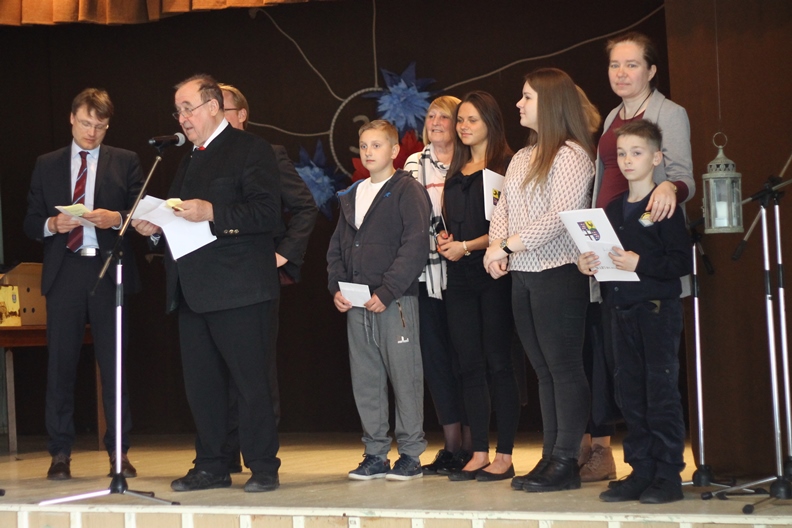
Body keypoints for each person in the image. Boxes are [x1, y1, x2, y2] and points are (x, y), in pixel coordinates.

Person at [132, 74, 282, 493]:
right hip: (193, 291)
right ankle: (212, 464)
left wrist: (213, 210)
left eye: (188, 108)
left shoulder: (251, 149)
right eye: (178, 111)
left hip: (241, 290)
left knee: (251, 384)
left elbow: (268, 213)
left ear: (214, 107)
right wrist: (156, 228)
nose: (182, 118)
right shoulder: (188, 159)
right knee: (203, 387)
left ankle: (263, 466)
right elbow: (181, 217)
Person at [579, 31, 695, 483]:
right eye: (615, 65)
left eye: (631, 64)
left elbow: (682, 177)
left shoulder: (670, 113)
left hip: (648, 254)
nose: (622, 73)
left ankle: (664, 472)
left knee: (656, 381)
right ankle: (639, 468)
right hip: (612, 251)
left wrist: (669, 187)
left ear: (651, 70)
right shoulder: (612, 116)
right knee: (625, 379)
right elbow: (603, 179)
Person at [484, 68, 595, 493]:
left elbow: (559, 217)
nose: (519, 103)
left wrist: (506, 247)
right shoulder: (521, 157)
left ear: (549, 103)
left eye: (527, 97)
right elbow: (503, 209)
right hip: (524, 277)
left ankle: (567, 460)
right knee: (543, 371)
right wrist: (496, 248)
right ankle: (550, 456)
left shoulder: (571, 155)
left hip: (559, 273)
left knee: (564, 368)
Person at [23, 88, 142, 480]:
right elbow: (30, 221)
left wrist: (116, 218)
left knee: (114, 365)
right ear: (72, 118)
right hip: (65, 271)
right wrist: (51, 224)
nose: (92, 133)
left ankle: (119, 453)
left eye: (101, 126)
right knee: (60, 366)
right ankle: (60, 453)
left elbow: (141, 213)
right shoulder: (47, 164)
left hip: (108, 269)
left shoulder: (125, 161)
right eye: (87, 123)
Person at [218, 83, 318, 474]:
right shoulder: (202, 156)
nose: (214, 116)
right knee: (219, 369)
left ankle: (259, 456)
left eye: (223, 108)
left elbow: (304, 207)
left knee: (256, 368)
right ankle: (223, 454)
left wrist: (282, 255)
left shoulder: (267, 153)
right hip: (214, 278)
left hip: (256, 278)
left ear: (242, 114)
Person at [327, 119, 429, 481]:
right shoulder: (352, 194)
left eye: (377, 145)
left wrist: (387, 291)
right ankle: (375, 454)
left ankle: (411, 455)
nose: (369, 152)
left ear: (395, 150)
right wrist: (337, 288)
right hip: (357, 304)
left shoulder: (407, 190)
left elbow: (415, 245)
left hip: (395, 303)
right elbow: (337, 249)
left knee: (405, 378)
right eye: (364, 146)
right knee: (366, 380)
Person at [439, 91, 519, 483]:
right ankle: (480, 452)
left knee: (499, 362)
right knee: (468, 364)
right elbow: (453, 222)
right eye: (460, 120)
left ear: (490, 121)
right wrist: (447, 241)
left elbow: (509, 227)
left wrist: (467, 246)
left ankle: (505, 454)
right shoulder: (456, 168)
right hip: (459, 277)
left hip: (495, 273)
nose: (463, 126)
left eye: (472, 119)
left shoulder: (508, 165)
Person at [403, 95, 473, 476]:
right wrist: (436, 239)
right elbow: (412, 215)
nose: (435, 122)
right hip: (426, 275)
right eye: (430, 115)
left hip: (465, 270)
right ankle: (450, 446)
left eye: (444, 116)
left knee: (467, 357)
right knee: (436, 359)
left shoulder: (470, 160)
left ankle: (474, 445)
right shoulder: (415, 163)